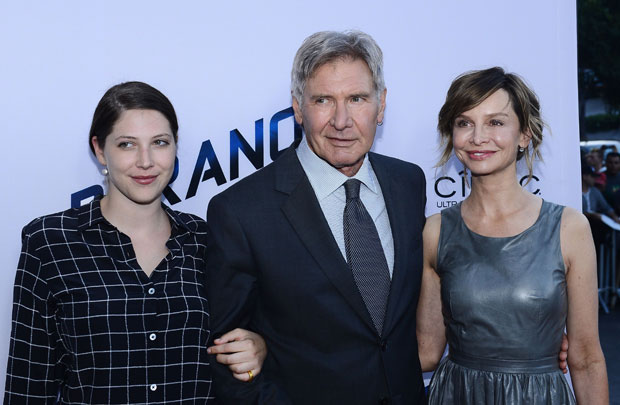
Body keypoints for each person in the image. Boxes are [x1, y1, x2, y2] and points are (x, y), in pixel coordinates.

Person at [4, 81, 266, 404]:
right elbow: (28, 386)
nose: (146, 161)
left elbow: (251, 337)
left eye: (159, 142)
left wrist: (259, 346)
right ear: (100, 150)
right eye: (127, 145)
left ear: (174, 147)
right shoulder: (49, 242)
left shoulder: (207, 239)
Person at [207, 30, 427, 404]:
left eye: (357, 99)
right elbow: (228, 356)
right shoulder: (242, 210)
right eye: (323, 100)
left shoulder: (408, 183)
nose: (342, 121)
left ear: (381, 104)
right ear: (297, 107)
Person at [417, 67, 608, 404]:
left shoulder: (568, 228)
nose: (478, 137)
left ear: (524, 135)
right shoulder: (436, 230)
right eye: (464, 122)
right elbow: (427, 351)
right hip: (457, 395)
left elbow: (586, 357)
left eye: (496, 122)